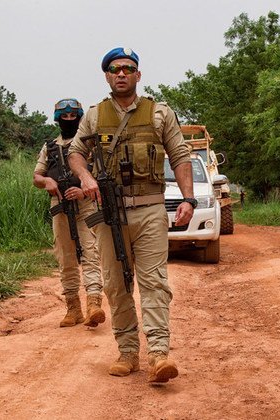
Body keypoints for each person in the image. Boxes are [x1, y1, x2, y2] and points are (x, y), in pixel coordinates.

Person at [67, 47, 194, 383]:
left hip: (151, 208)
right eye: (114, 69)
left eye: (128, 68)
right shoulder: (94, 116)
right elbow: (76, 153)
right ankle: (127, 353)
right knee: (115, 283)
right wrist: (86, 176)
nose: (121, 73)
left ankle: (158, 354)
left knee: (154, 282)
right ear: (107, 75)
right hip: (110, 213)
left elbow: (180, 155)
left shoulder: (159, 113)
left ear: (138, 75)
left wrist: (189, 199)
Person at [33, 98, 105, 329]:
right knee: (65, 256)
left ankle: (94, 303)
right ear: (58, 119)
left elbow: (103, 175)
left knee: (91, 251)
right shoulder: (50, 147)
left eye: (73, 116)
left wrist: (84, 189)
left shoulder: (88, 144)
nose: (69, 120)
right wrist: (47, 181)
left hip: (87, 205)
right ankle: (73, 308)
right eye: (64, 116)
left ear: (79, 117)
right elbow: (37, 176)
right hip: (60, 204)